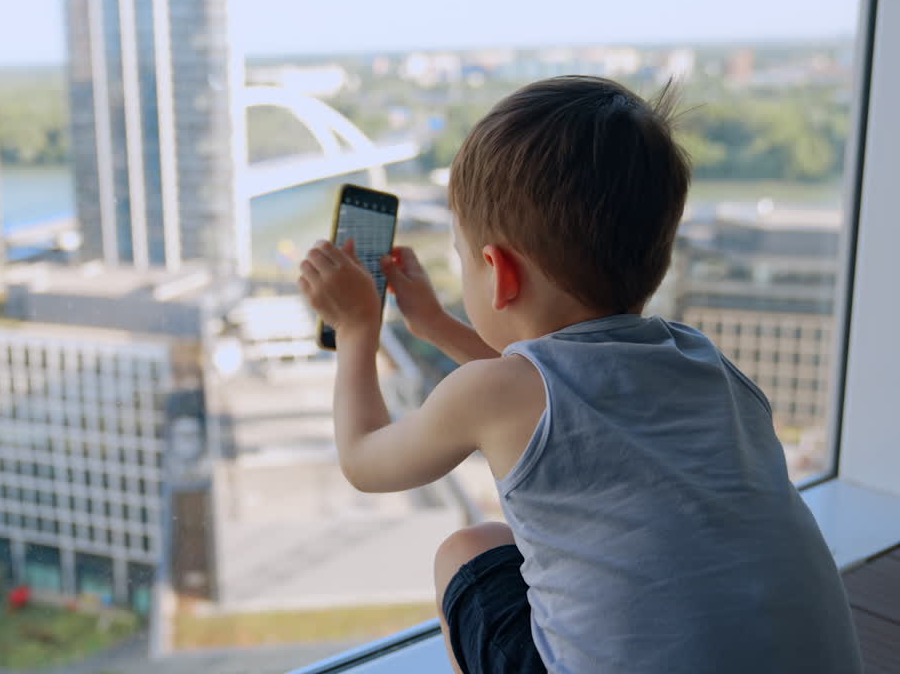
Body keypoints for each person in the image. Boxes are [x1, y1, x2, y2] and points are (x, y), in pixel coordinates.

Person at [297, 76, 861, 674]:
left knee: (468, 551)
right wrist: (433, 323)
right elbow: (558, 392)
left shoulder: (495, 395)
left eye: (462, 256)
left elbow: (364, 459)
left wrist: (358, 328)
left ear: (498, 272)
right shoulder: (703, 360)